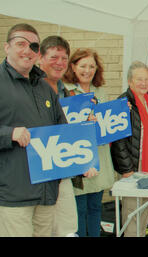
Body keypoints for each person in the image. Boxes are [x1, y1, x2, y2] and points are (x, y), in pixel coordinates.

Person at [0, 23, 66, 236]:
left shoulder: (45, 88)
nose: (27, 50)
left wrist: (83, 162)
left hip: (46, 194)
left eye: (33, 46)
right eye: (21, 44)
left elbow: (62, 131)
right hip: (13, 195)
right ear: (6, 47)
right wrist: (9, 133)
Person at [39, 36, 98, 237]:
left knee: (68, 230)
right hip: (39, 175)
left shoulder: (65, 93)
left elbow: (70, 133)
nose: (60, 63)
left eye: (63, 58)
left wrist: (86, 125)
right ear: (40, 58)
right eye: (54, 57)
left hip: (62, 173)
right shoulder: (32, 90)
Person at [63, 48, 115, 237]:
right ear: (73, 67)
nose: (88, 70)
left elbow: (109, 121)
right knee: (79, 210)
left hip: (99, 155)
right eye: (83, 65)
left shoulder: (100, 90)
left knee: (95, 208)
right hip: (77, 156)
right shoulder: (65, 90)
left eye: (92, 66)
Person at [111, 61, 148, 237]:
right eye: (139, 79)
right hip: (133, 165)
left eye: (146, 79)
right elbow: (118, 141)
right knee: (132, 211)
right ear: (130, 81)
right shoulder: (123, 103)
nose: (144, 82)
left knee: (145, 207)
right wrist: (126, 169)